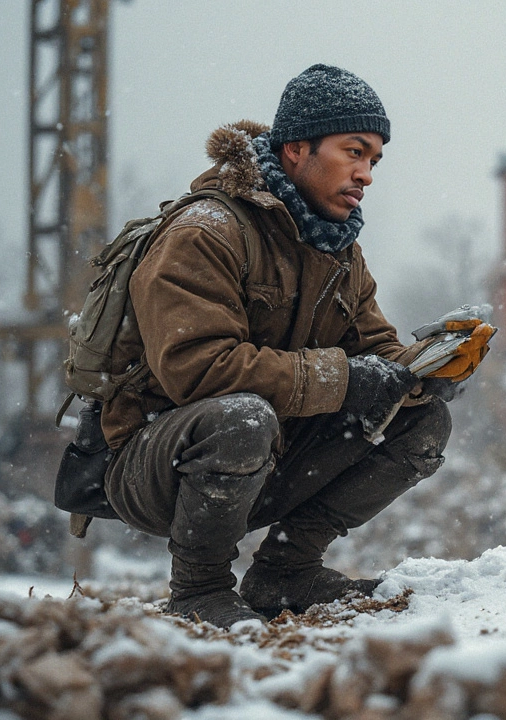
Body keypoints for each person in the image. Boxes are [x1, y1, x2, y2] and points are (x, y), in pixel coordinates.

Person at [96, 64, 456, 628]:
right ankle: (199, 587)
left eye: (374, 160)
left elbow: (377, 353)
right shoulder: (206, 231)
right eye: (353, 151)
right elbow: (199, 369)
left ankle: (286, 569)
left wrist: (425, 371)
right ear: (296, 148)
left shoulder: (338, 251)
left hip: (270, 454)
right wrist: (346, 379)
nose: (366, 174)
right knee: (241, 417)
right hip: (158, 462)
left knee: (422, 421)